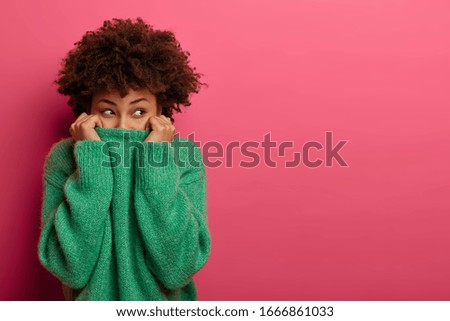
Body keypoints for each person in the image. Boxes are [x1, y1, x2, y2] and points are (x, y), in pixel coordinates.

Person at [37, 17, 211, 301]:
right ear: (87, 111)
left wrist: (155, 159)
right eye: (108, 111)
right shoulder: (64, 158)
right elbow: (71, 269)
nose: (122, 126)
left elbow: (177, 268)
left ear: (161, 112)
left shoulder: (183, 157)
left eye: (139, 112)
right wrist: (92, 161)